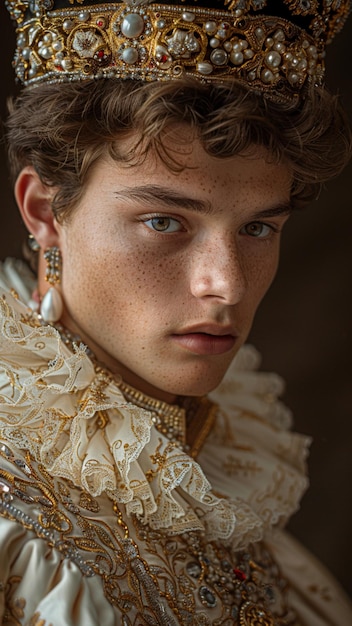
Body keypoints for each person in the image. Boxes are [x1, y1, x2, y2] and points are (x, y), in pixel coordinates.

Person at [0, 0, 351, 624]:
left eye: (259, 228)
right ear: (45, 213)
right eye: (164, 222)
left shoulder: (227, 475)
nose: (228, 286)